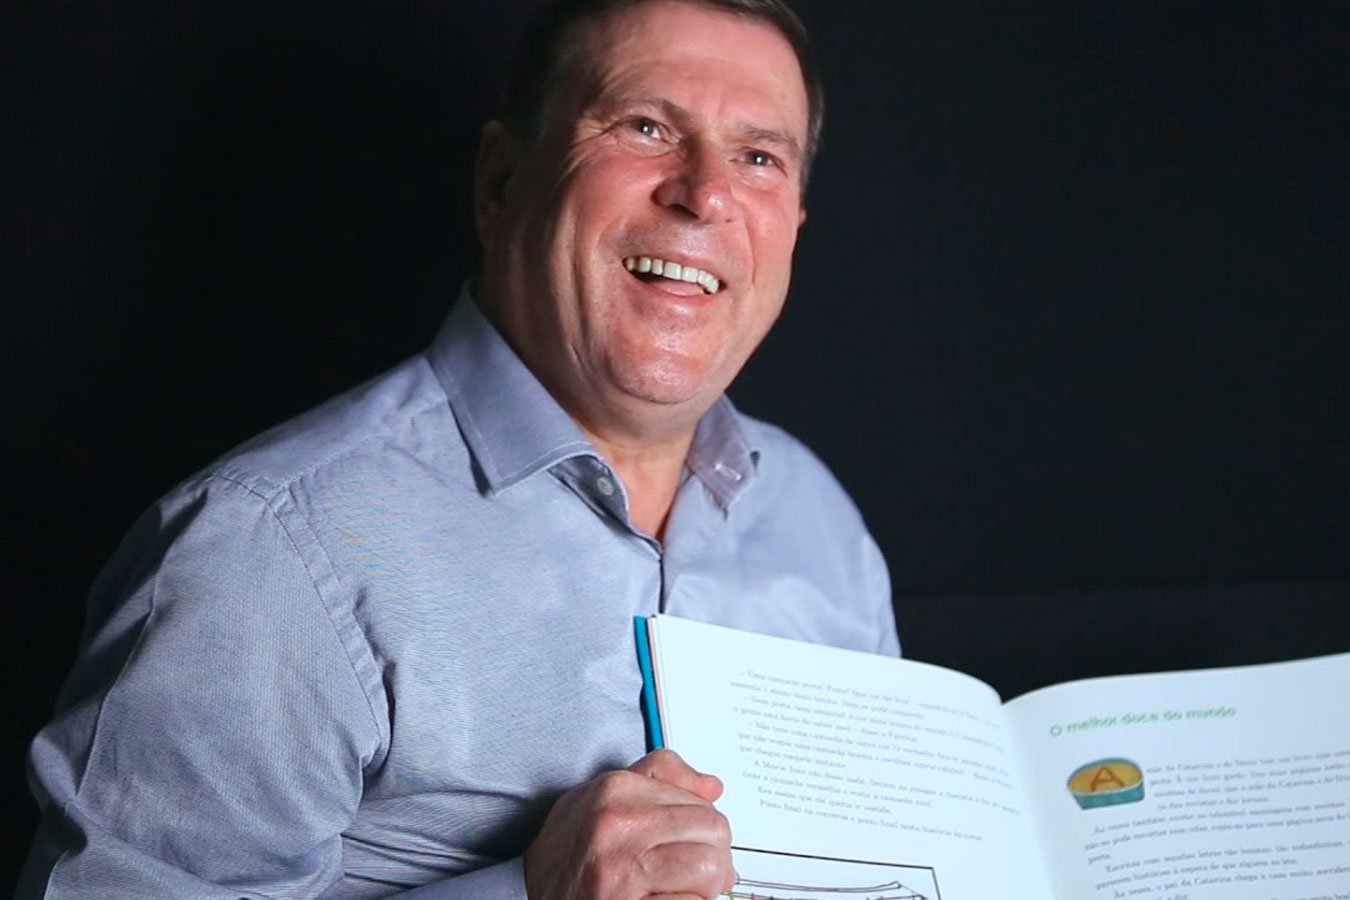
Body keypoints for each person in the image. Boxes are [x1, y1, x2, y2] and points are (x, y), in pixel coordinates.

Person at [18, 0, 900, 897]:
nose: (705, 194)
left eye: (759, 157)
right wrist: (527, 891)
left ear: (794, 223)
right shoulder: (268, 548)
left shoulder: (820, 521)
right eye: (645, 128)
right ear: (502, 183)